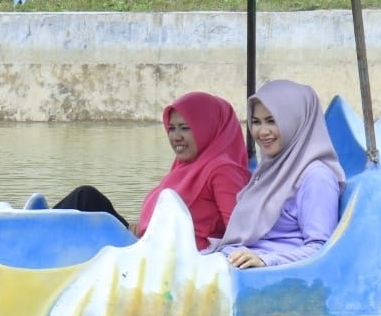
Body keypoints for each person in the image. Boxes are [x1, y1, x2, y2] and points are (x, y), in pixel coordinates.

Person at [47, 91, 251, 251]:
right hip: (145, 243)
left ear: (208, 128)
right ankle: (31, 230)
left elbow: (238, 234)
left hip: (168, 257)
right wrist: (143, 225)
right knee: (86, 198)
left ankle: (30, 237)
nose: (176, 136)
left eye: (185, 128)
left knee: (84, 198)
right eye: (172, 128)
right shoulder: (185, 167)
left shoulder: (222, 170)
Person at [208, 79, 345, 268]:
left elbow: (320, 249)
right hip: (236, 262)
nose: (262, 131)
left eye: (272, 121)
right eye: (256, 122)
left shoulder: (316, 177)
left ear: (295, 121)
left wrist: (265, 260)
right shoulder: (270, 169)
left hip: (266, 274)